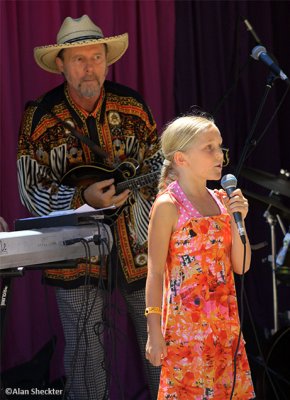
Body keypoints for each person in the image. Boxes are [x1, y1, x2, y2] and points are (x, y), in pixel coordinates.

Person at [17, 15, 162, 400]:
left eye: (96, 57)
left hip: (141, 246)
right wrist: (82, 199)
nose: (89, 67)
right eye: (78, 59)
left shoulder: (132, 105)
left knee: (159, 346)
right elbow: (31, 189)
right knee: (84, 353)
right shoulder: (41, 117)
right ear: (61, 64)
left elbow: (159, 166)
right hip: (73, 251)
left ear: (107, 60)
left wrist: (144, 189)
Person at [145, 114, 255, 399]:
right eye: (209, 148)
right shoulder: (169, 205)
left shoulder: (222, 200)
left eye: (220, 147)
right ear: (181, 158)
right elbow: (155, 272)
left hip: (225, 331)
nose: (219, 155)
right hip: (187, 333)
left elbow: (241, 266)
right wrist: (153, 333)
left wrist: (236, 217)